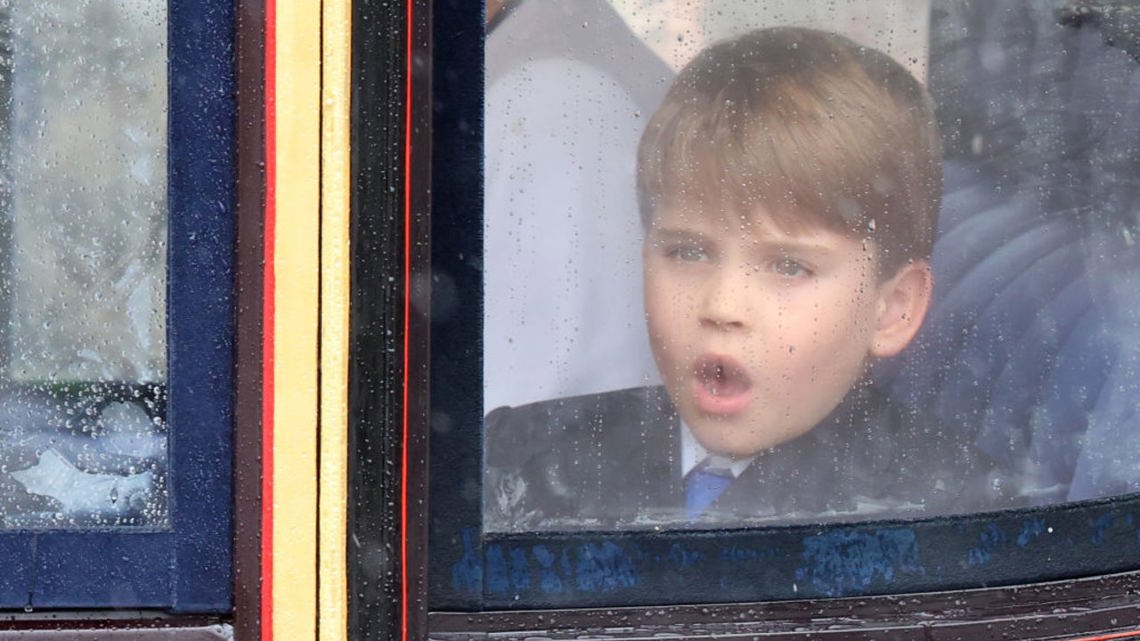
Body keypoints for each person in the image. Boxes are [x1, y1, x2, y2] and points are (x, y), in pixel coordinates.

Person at [485, 27, 1023, 533]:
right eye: (688, 251)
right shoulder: (516, 460)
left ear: (893, 309)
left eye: (790, 266)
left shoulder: (951, 511)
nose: (722, 304)